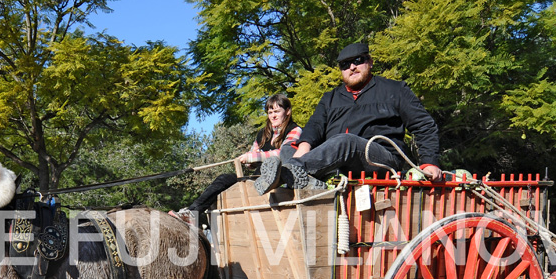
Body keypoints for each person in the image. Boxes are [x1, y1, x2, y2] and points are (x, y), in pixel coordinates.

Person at [255, 42, 443, 195]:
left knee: (345, 142)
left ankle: (286, 173)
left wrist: (429, 162)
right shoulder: (330, 98)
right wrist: (302, 148)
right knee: (289, 146)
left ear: (370, 62)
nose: (351, 67)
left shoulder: (394, 90)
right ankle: (304, 179)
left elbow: (424, 125)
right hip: (336, 162)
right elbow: (314, 127)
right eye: (345, 65)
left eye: (358, 61)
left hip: (380, 158)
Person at [173, 94, 303, 223]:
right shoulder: (263, 134)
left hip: (281, 181)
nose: (273, 116)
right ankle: (192, 212)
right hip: (257, 179)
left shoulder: (295, 130)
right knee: (224, 179)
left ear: (287, 111)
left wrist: (252, 157)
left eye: (277, 111)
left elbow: (284, 153)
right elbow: (253, 154)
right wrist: (249, 162)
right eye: (270, 112)